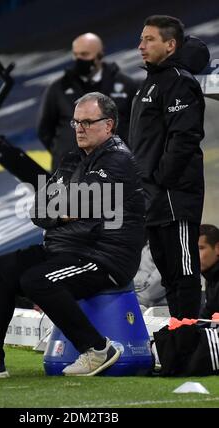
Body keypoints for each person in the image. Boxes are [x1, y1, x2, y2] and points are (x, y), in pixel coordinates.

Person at [0, 92, 145, 380]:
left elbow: (84, 205)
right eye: (76, 122)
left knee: (36, 279)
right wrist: (65, 209)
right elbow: (38, 210)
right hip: (66, 249)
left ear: (109, 125)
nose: (80, 128)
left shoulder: (119, 161)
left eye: (88, 122)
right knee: (2, 267)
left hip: (103, 255)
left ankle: (97, 348)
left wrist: (64, 206)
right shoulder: (70, 160)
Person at [128, 15, 210, 319]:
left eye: (149, 39)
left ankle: (188, 340)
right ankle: (178, 339)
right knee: (168, 274)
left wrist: (162, 178)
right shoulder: (151, 82)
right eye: (141, 39)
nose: (140, 46)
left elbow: (185, 137)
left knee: (184, 272)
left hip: (175, 196)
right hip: (153, 197)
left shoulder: (178, 81)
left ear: (171, 44)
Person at [37, 32, 138, 171]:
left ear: (100, 56)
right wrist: (64, 152)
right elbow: (45, 130)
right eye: (76, 55)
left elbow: (139, 126)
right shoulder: (58, 89)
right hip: (70, 172)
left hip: (117, 169)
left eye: (84, 55)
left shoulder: (126, 85)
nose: (79, 60)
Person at [199, 224, 219, 319]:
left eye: (201, 248)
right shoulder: (211, 277)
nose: (194, 255)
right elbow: (208, 314)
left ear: (217, 248)